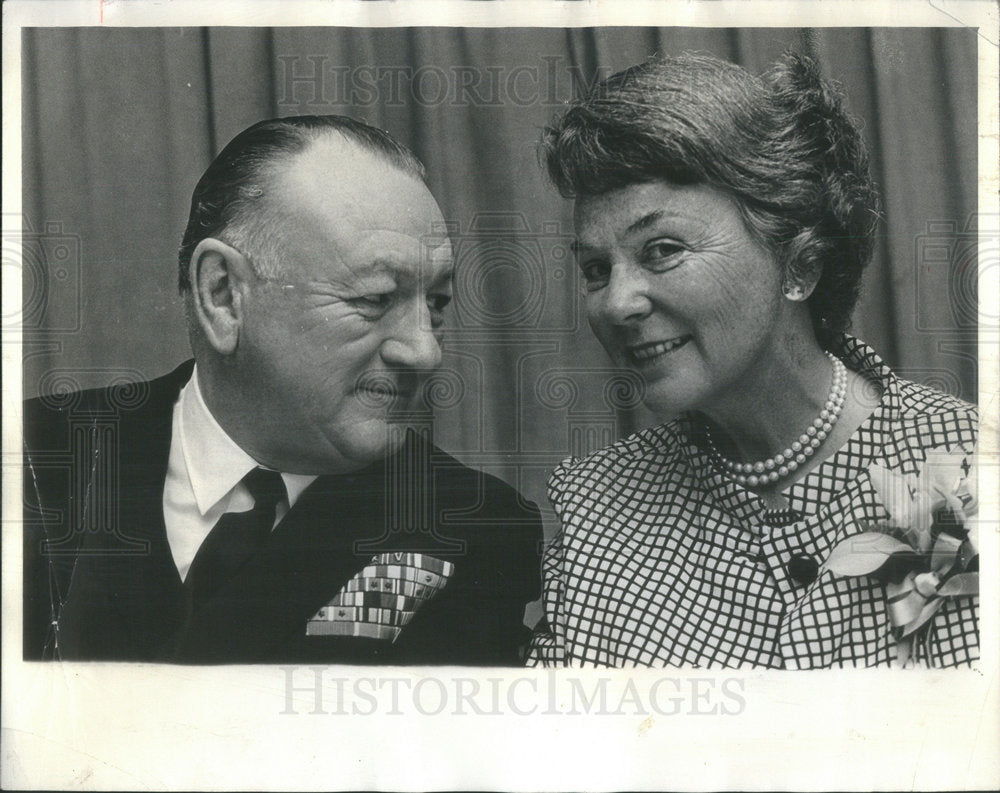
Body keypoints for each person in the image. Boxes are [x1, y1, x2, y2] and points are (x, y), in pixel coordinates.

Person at [23, 115, 542, 665]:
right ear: (223, 296)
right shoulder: (32, 454)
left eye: (436, 304)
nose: (425, 351)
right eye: (374, 299)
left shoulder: (473, 525)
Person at [527, 53, 978, 668]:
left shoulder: (971, 471)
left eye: (660, 250)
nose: (616, 302)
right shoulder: (596, 509)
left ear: (801, 263)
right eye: (596, 270)